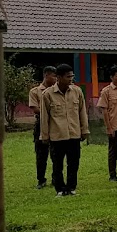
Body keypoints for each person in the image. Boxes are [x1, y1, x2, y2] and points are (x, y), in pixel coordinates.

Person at [40, 64, 89, 196]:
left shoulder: (77, 92)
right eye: (68, 77)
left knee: (73, 163)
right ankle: (60, 189)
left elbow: (82, 112)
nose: (71, 79)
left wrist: (84, 130)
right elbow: (44, 117)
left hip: (74, 134)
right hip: (57, 136)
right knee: (57, 165)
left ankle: (71, 188)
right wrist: (44, 136)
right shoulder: (47, 94)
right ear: (59, 78)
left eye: (72, 76)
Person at [29, 65, 56, 188]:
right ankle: (41, 180)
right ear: (46, 75)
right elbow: (35, 109)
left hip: (56, 124)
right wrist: (51, 112)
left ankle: (56, 178)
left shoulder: (57, 91)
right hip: (41, 124)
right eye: (54, 76)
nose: (56, 78)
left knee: (57, 153)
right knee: (41, 154)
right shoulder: (35, 91)